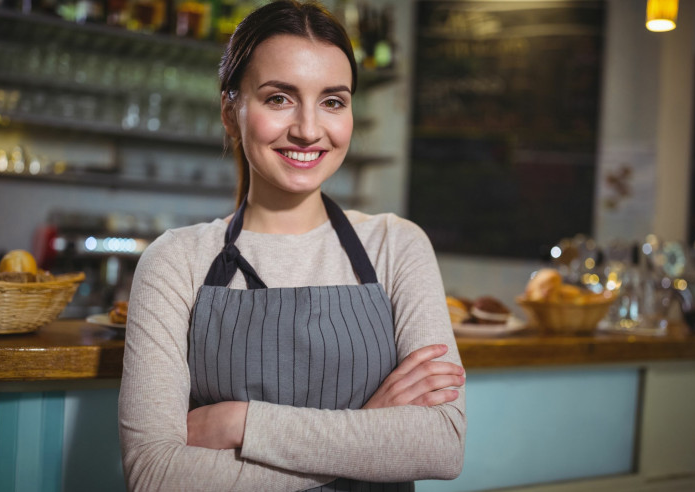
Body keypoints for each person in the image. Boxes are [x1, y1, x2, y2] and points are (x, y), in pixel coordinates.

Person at [118, 1, 466, 490]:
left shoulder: (396, 245)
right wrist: (370, 431)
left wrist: (242, 424)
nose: (307, 128)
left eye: (333, 101)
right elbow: (155, 476)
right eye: (279, 98)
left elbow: (440, 444)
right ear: (229, 109)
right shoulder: (175, 262)